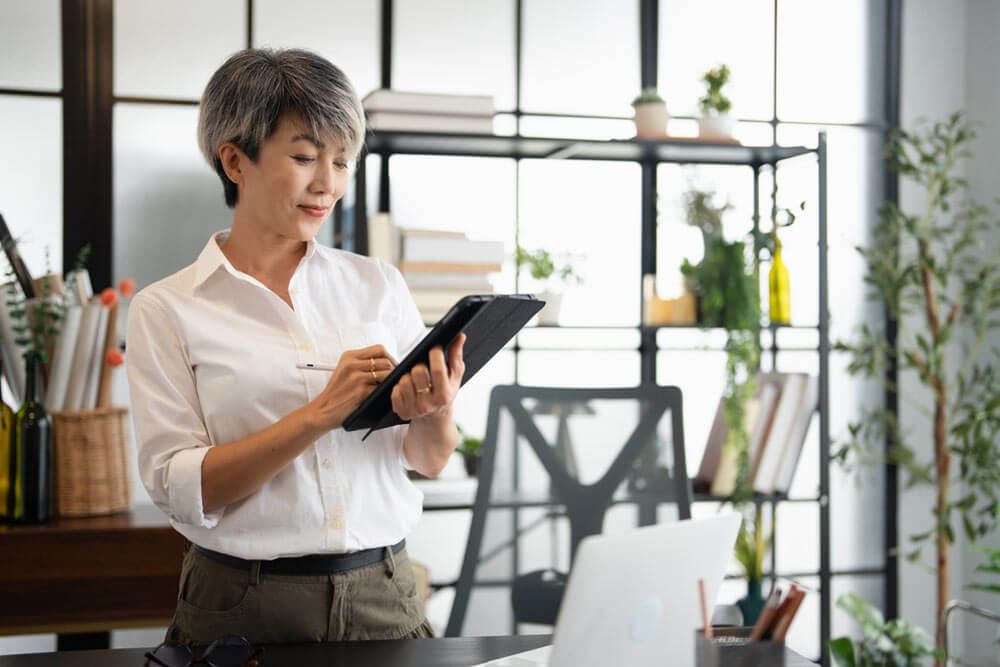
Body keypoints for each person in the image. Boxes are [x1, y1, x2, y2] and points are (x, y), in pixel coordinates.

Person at [126, 48, 465, 645]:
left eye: (342, 162)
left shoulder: (376, 284)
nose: (327, 184)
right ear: (235, 160)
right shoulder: (167, 308)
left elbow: (429, 459)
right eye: (306, 157)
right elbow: (184, 490)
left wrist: (435, 406)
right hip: (240, 606)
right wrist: (319, 415)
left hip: (384, 592)